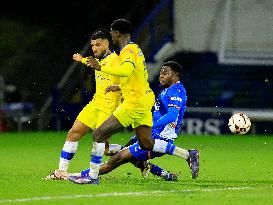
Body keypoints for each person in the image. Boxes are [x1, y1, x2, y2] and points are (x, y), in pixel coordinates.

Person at [69, 61, 199, 184]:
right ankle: (164, 174)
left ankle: (78, 175)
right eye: (160, 73)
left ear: (176, 75)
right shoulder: (166, 90)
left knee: (117, 159)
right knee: (126, 152)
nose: (161, 76)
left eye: (166, 73)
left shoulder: (177, 90)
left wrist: (151, 126)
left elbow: (172, 116)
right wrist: (120, 87)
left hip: (159, 138)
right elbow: (141, 91)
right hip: (151, 134)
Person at [73, 19, 156, 184]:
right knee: (146, 144)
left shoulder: (128, 51)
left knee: (98, 134)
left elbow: (126, 71)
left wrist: (101, 67)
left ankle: (92, 176)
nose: (111, 35)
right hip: (144, 98)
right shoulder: (136, 49)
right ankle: (185, 153)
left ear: (116, 33)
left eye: (111, 32)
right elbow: (137, 77)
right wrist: (118, 87)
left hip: (134, 102)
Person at [44, 30, 122, 180]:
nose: (94, 48)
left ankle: (97, 173)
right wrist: (81, 59)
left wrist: (117, 88)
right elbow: (94, 63)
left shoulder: (116, 61)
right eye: (92, 45)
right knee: (73, 133)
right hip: (95, 103)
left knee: (102, 146)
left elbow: (130, 83)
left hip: (110, 107)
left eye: (98, 45)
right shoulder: (97, 59)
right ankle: (61, 172)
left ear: (107, 43)